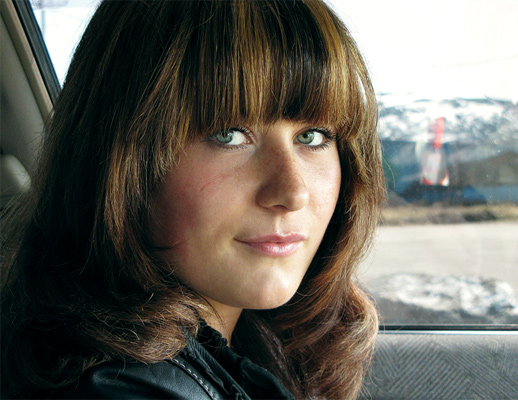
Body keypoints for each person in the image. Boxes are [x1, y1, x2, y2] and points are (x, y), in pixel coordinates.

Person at [1, 0, 385, 398]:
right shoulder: (118, 389)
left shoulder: (248, 345)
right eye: (228, 135)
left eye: (312, 136)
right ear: (121, 159)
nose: (293, 192)